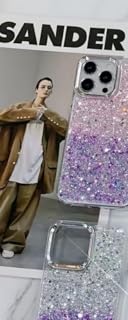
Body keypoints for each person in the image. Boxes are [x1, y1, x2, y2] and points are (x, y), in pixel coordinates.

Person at [0, 77, 68, 258]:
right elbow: (3, 116)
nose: (46, 89)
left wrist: (44, 115)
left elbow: (65, 129)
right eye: (43, 86)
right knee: (2, 206)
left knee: (24, 210)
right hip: (13, 167)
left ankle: (12, 244)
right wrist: (33, 113)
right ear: (36, 89)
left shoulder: (51, 117)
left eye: (49, 88)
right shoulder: (20, 108)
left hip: (36, 169)